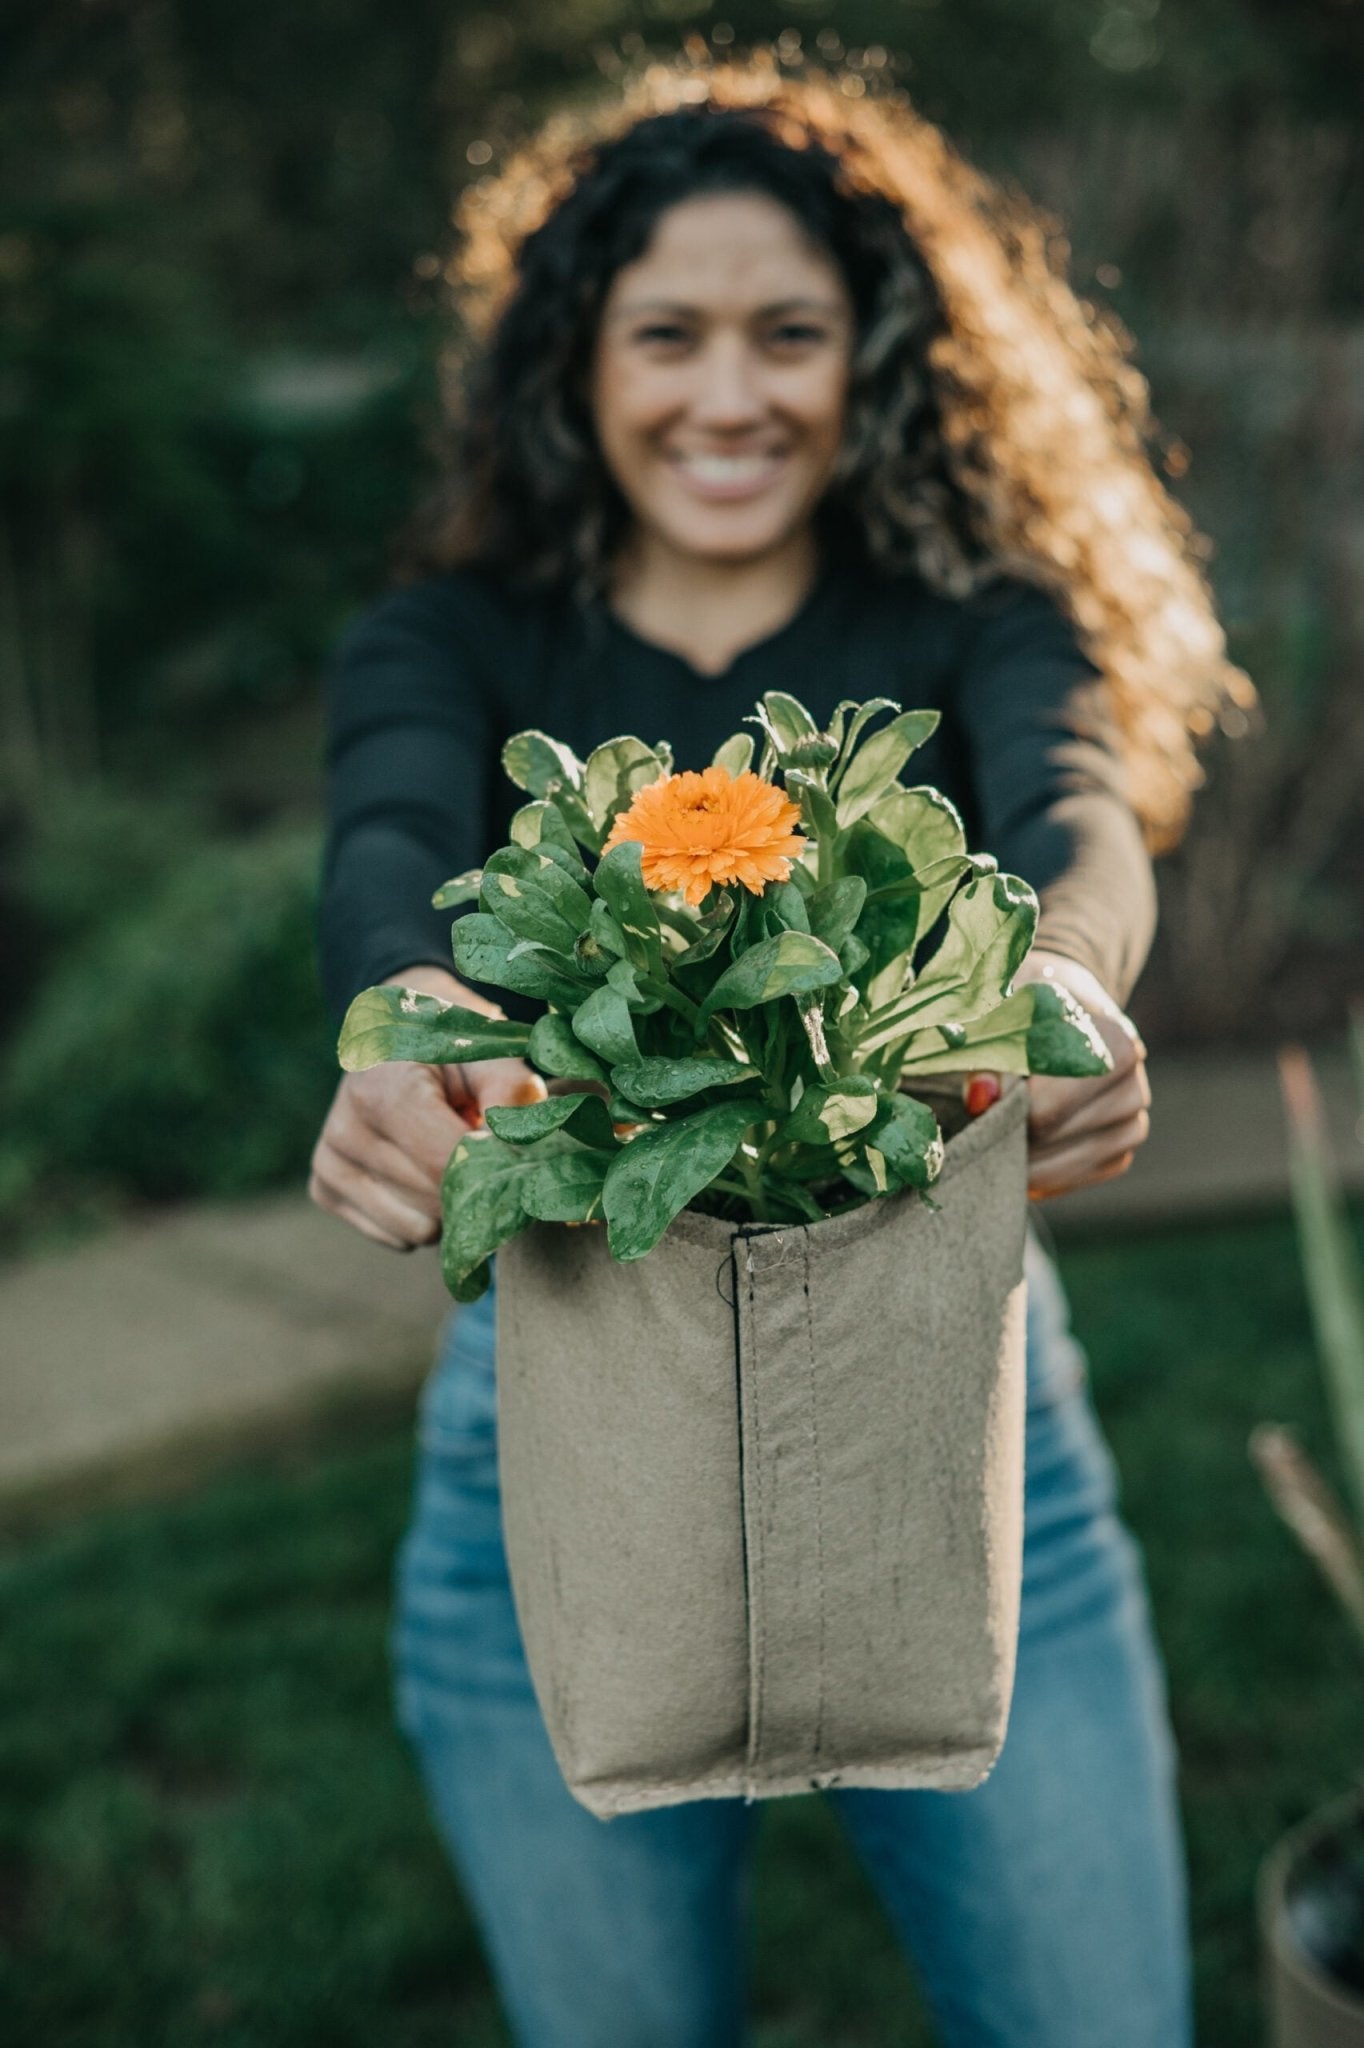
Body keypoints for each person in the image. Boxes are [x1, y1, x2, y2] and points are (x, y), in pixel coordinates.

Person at [309, 54, 1249, 2048]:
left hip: (965, 1437)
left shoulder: (973, 621)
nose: (727, 394)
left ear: (877, 359)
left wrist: (1065, 981)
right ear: (575, 365)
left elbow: (1077, 807)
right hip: (552, 1453)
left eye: (788, 334)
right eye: (668, 334)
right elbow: (392, 835)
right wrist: (410, 1021)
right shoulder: (459, 643)